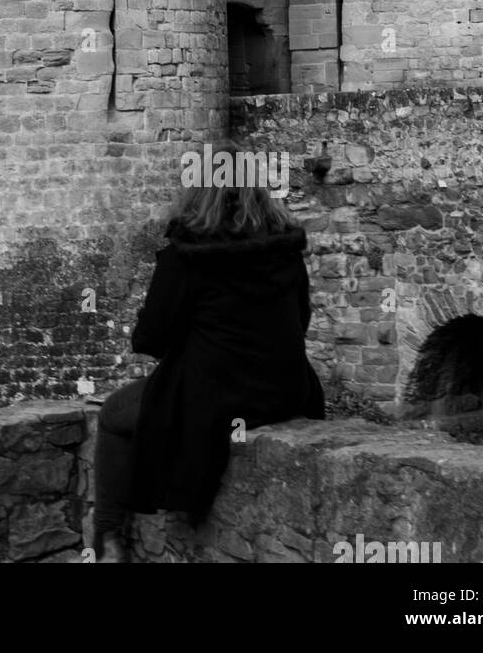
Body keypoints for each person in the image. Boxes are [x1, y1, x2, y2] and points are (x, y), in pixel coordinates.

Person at [92, 176, 325, 562]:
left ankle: (107, 539)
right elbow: (299, 323)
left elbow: (151, 339)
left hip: (212, 398)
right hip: (284, 394)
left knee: (114, 413)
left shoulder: (187, 255)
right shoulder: (285, 252)